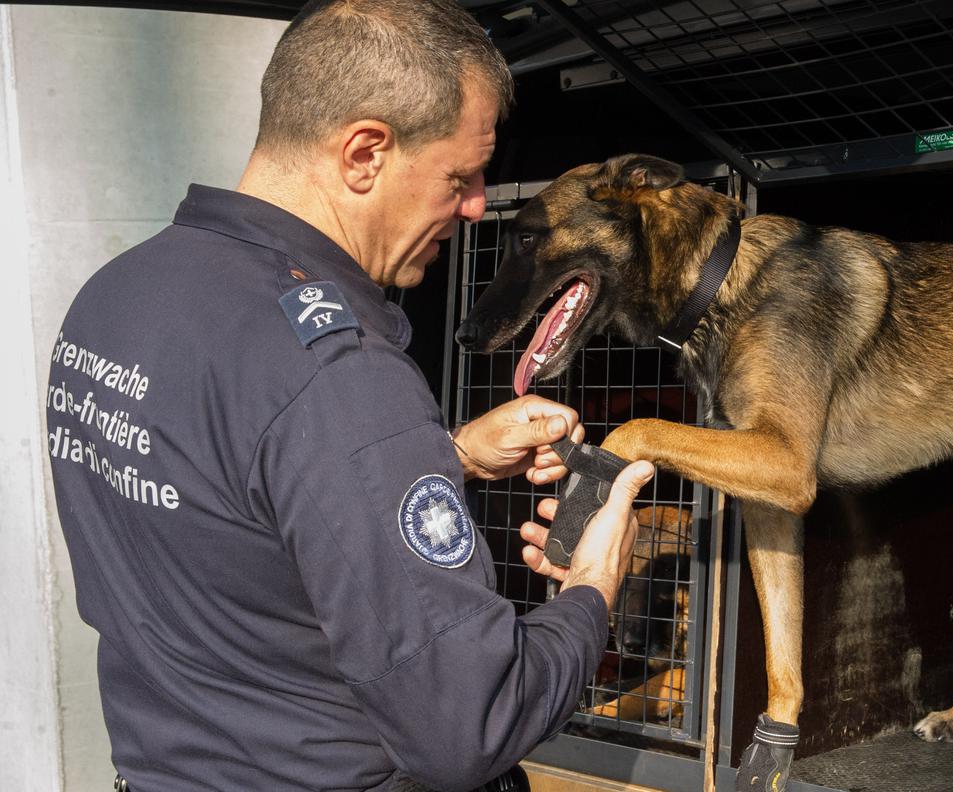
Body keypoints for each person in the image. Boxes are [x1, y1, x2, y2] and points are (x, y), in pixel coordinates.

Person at [43, 1, 653, 789]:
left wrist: (445, 455)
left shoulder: (117, 295)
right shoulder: (338, 376)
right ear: (365, 152)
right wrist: (591, 592)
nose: (474, 206)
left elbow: (228, 508)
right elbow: (470, 723)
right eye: (460, 176)